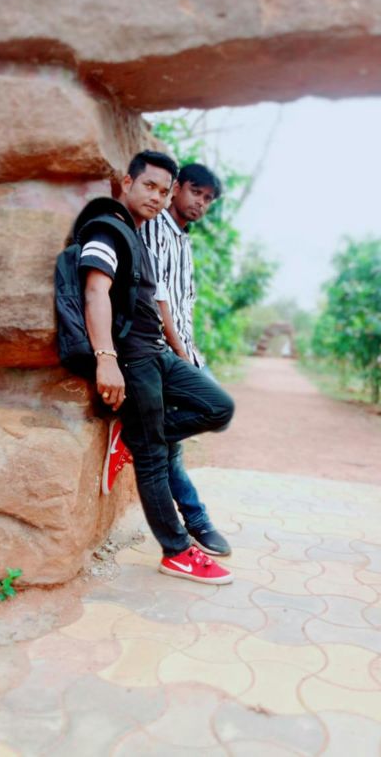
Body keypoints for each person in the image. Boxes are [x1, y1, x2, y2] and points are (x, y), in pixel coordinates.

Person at [79, 150, 235, 585]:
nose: (157, 197)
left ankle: (136, 437)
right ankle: (178, 550)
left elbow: (162, 295)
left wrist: (181, 354)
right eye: (150, 186)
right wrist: (107, 359)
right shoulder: (109, 228)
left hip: (161, 353)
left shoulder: (141, 233)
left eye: (163, 191)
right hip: (135, 356)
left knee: (218, 407)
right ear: (127, 182)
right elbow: (96, 292)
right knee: (155, 458)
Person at [140, 163, 231, 557]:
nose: (201, 203)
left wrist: (191, 351)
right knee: (173, 451)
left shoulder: (182, 239)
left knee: (217, 412)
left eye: (208, 199)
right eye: (196, 192)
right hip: (162, 352)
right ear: (176, 188)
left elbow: (183, 303)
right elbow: (157, 296)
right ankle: (197, 521)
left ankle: (145, 435)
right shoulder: (155, 228)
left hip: (186, 351)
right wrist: (179, 352)